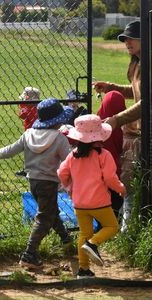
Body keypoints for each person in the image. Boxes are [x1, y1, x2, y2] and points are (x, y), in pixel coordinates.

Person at [0, 98, 73, 268]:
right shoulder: (60, 139)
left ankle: (66, 239)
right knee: (44, 217)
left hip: (33, 181)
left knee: (50, 210)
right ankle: (29, 254)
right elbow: (69, 162)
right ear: (59, 120)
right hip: (49, 182)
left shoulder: (28, 134)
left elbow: (10, 150)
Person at [57, 114, 126, 279]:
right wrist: (121, 188)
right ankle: (93, 244)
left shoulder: (73, 155)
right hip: (99, 202)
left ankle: (83, 270)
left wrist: (69, 186)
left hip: (79, 203)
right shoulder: (103, 155)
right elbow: (110, 178)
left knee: (84, 233)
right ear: (99, 136)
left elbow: (61, 173)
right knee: (112, 226)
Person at [93, 20, 141, 233]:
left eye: (132, 38)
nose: (127, 42)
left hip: (143, 133)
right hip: (138, 130)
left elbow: (147, 101)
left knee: (130, 183)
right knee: (130, 183)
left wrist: (116, 120)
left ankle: (127, 233)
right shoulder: (138, 63)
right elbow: (135, 92)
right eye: (125, 39)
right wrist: (112, 87)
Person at [96, 91, 126, 228]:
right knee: (116, 202)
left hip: (97, 174)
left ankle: (102, 226)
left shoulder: (95, 126)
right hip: (116, 174)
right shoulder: (122, 127)